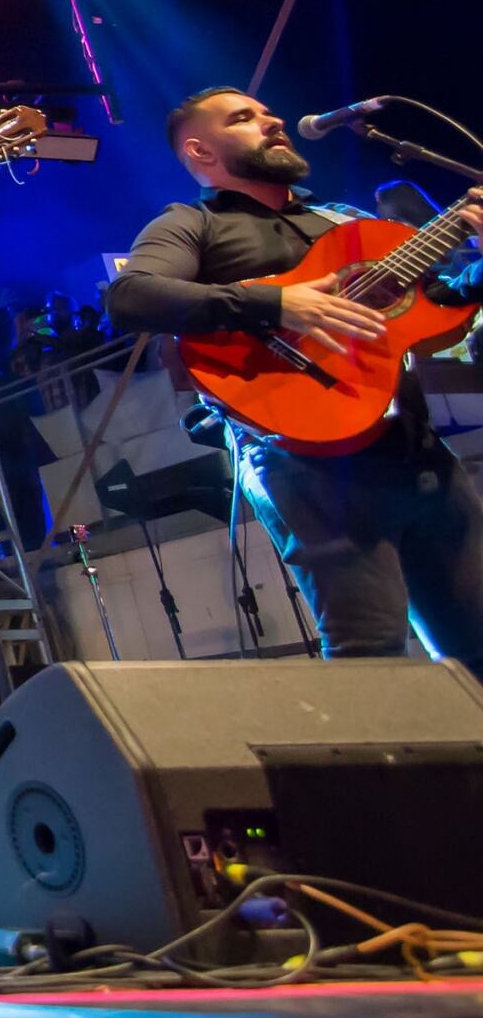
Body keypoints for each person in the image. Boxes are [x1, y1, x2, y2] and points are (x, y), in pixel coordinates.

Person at [104, 88, 483, 666]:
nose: (273, 120)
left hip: (420, 452)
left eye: (266, 111)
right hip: (303, 458)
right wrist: (276, 305)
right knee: (372, 654)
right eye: (245, 118)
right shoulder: (193, 223)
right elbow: (132, 295)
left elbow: (438, 307)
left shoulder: (349, 221)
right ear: (200, 151)